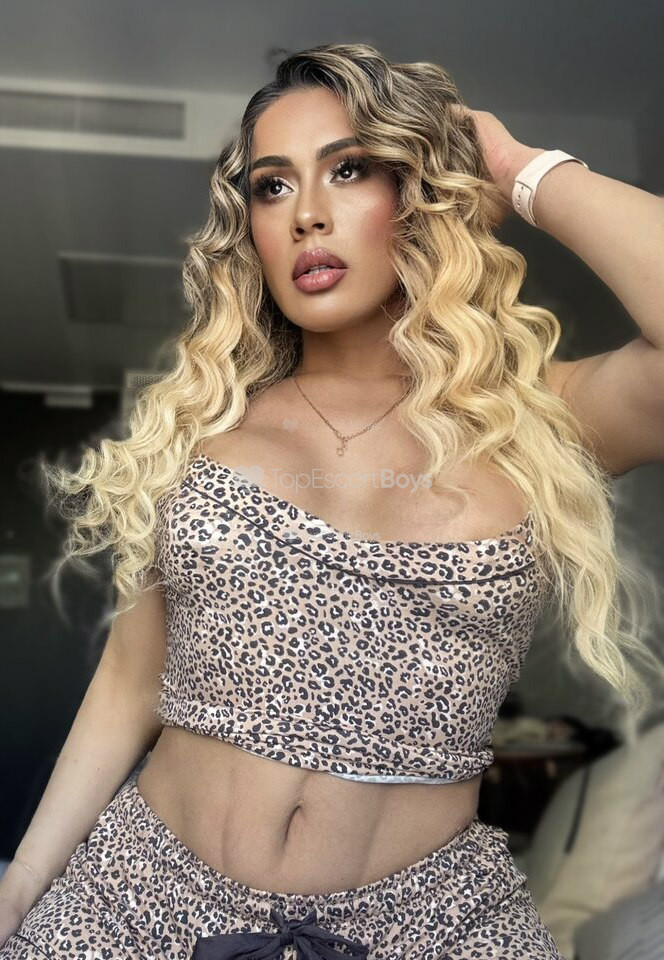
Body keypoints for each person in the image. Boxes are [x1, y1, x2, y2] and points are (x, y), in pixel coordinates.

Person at [2, 40, 664, 960]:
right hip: (136, 902)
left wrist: (519, 170)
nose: (307, 213)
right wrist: (19, 887)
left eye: (349, 169)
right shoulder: (206, 424)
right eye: (272, 187)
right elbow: (128, 683)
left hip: (432, 933)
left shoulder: (538, 423)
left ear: (418, 193)